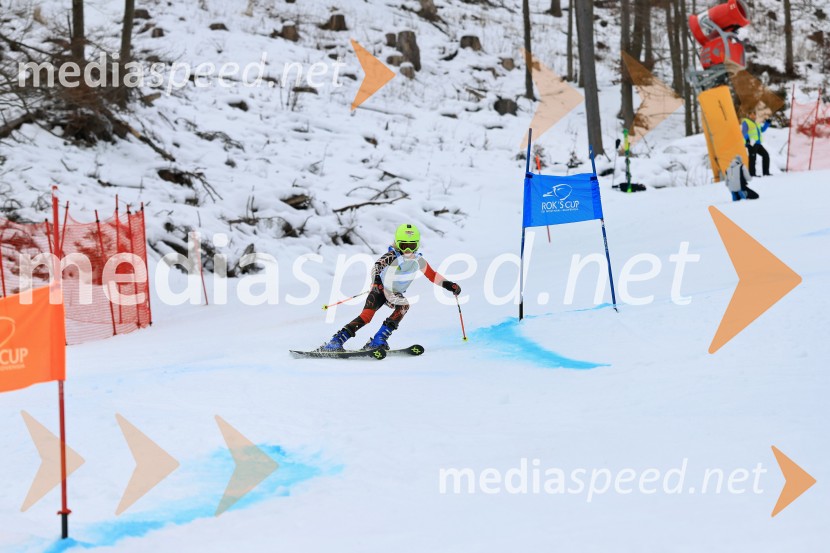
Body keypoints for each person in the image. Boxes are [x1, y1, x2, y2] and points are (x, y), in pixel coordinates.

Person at [319, 223, 461, 352]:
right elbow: (376, 267)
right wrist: (376, 283)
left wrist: (449, 285)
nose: (407, 250)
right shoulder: (392, 255)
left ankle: (378, 340)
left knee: (403, 306)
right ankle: (335, 341)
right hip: (379, 290)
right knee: (366, 317)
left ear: (417, 245)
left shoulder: (418, 261)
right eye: (403, 245)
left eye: (411, 246)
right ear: (397, 243)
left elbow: (433, 275)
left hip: (394, 294)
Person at [741, 113, 771, 177]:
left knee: (766, 155)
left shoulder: (757, 122)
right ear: (748, 115)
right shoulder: (746, 122)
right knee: (753, 158)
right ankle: (752, 174)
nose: (753, 116)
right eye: (751, 114)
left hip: (757, 143)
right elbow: (744, 132)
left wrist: (767, 123)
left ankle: (766, 173)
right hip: (751, 143)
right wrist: (747, 139)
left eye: (754, 114)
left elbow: (762, 130)